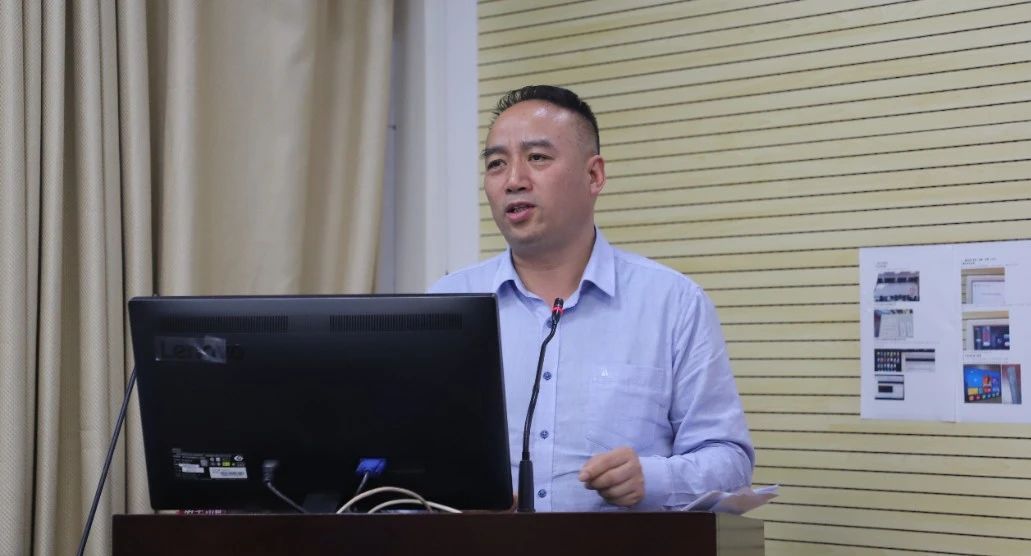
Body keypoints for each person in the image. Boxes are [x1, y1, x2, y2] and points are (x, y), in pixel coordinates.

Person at [429, 85, 754, 511]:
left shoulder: (672, 303)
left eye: (537, 158)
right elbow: (405, 458)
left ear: (594, 176)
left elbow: (729, 460)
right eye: (496, 164)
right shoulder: (446, 305)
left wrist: (653, 478)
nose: (513, 180)